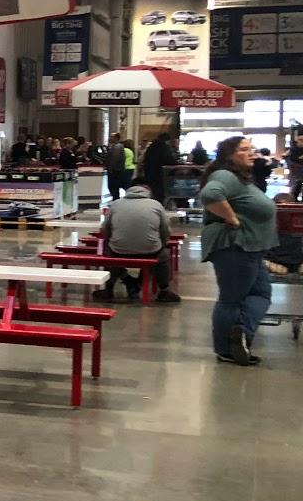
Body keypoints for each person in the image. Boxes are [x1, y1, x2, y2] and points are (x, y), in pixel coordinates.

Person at [199, 136, 277, 366]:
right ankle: (226, 349)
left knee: (262, 293)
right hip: (235, 246)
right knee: (231, 299)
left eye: (251, 148)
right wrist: (231, 218)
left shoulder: (239, 178)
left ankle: (240, 331)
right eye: (244, 149)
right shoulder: (224, 175)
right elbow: (210, 194)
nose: (252, 153)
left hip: (250, 247)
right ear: (229, 155)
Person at [93, 180, 180, 304]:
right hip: (150, 251)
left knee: (110, 251)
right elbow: (165, 230)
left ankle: (110, 288)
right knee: (163, 255)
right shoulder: (156, 204)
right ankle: (164, 291)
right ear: (148, 190)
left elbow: (105, 229)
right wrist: (161, 242)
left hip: (119, 251)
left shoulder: (116, 204)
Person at [141, 132, 175, 202]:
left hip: (149, 173)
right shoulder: (164, 147)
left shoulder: (151, 147)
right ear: (166, 140)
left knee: (152, 192)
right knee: (160, 194)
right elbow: (169, 160)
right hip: (160, 174)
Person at [104, 132, 129, 202]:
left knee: (113, 186)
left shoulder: (117, 147)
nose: (110, 138)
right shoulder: (114, 146)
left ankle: (116, 200)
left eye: (111, 137)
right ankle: (115, 198)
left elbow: (115, 158)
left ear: (116, 138)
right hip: (115, 170)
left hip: (116, 171)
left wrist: (111, 168)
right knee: (113, 187)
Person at [286, 134, 303, 200]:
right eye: (300, 140)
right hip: (295, 172)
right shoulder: (293, 149)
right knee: (295, 188)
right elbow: (290, 160)